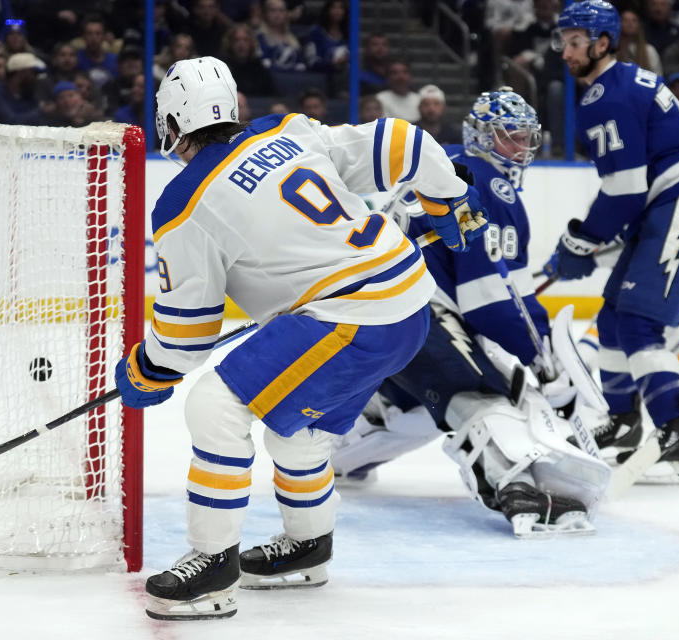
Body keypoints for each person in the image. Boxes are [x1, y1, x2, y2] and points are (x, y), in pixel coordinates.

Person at [119, 55, 488, 621]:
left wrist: (151, 366)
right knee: (300, 433)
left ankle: (213, 565)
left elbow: (188, 332)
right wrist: (447, 199)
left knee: (215, 405)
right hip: (410, 304)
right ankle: (308, 547)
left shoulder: (183, 203)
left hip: (351, 317)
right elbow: (403, 143)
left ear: (172, 122)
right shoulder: (286, 130)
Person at [331, 89, 609, 538]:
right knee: (480, 393)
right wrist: (542, 362)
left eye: (525, 138)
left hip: (365, 308)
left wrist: (538, 349)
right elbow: (490, 304)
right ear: (481, 135)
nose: (520, 149)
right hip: (412, 306)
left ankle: (339, 454)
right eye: (509, 137)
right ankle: (514, 486)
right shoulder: (487, 183)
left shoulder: (449, 164)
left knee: (420, 408)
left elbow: (502, 296)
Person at [543, 0, 679, 484]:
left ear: (602, 42)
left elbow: (624, 189)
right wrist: (589, 238)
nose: (566, 51)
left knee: (638, 322)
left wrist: (582, 240)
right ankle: (623, 422)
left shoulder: (605, 97)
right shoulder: (624, 82)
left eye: (576, 42)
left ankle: (675, 431)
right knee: (614, 317)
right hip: (670, 203)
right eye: (563, 41)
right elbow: (630, 188)